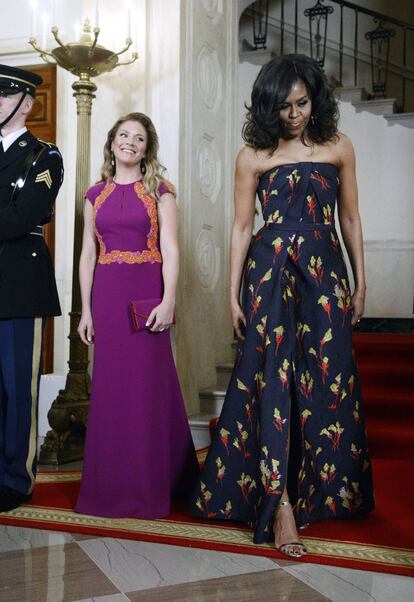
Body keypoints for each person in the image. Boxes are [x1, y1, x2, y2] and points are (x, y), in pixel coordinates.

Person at [188, 54, 374, 558]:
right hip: (269, 274)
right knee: (272, 377)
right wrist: (231, 292)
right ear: (269, 106)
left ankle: (326, 489)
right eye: (284, 106)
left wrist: (360, 282)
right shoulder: (253, 154)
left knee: (327, 375)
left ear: (315, 99)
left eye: (302, 103)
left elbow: (351, 219)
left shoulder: (338, 147)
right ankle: (281, 503)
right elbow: (243, 227)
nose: (294, 115)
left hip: (325, 276)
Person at [75, 112, 199, 518]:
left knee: (148, 389)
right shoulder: (95, 195)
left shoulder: (160, 191)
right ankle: (109, 489)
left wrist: (168, 301)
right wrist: (86, 312)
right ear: (112, 143)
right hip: (108, 300)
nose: (130, 142)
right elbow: (88, 255)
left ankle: (156, 483)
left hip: (146, 297)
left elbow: (172, 250)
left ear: (147, 148)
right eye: (124, 135)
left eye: (139, 138)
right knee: (111, 391)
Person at [0, 65, 63, 512]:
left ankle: (14, 478)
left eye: (2, 97)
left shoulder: (44, 155)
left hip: (20, 283)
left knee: (17, 384)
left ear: (25, 103)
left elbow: (27, 213)